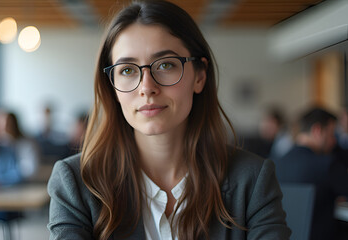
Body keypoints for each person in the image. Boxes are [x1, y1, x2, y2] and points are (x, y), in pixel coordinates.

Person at [48, 1, 290, 239]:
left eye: (165, 64)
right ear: (112, 87)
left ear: (200, 76)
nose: (147, 87)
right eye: (127, 70)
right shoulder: (77, 183)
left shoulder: (251, 179)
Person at [275, 107, 348, 240]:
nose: (334, 141)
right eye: (331, 134)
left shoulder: (275, 163)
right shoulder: (327, 165)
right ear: (317, 130)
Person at [0, 109, 40, 181]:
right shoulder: (0, 144)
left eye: (7, 124)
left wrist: (8, 177)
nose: (3, 127)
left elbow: (29, 171)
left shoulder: (27, 144)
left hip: (27, 183)